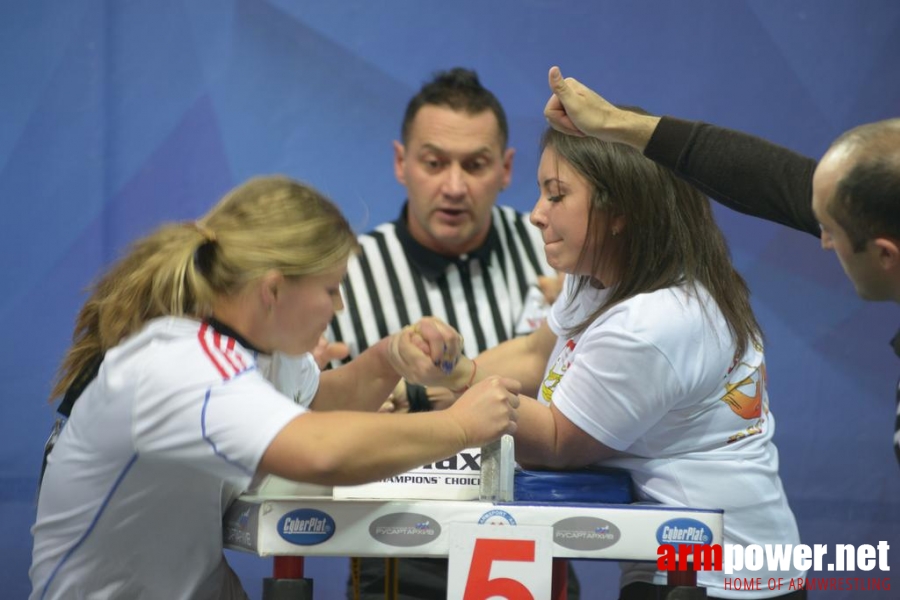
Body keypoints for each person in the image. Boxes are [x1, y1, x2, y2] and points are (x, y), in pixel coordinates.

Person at [29, 175, 520, 600]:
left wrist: (388, 358)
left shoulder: (257, 347)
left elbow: (318, 407)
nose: (339, 307)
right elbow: (320, 449)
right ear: (273, 290)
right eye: (331, 290)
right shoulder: (178, 364)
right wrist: (460, 425)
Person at [435, 126, 806, 599]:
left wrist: (455, 374)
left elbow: (553, 442)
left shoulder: (653, 323)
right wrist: (417, 391)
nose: (535, 215)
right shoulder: (603, 278)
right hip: (682, 564)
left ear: (620, 212)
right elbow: (534, 353)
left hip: (717, 580)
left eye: (557, 195)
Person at [540, 65, 900, 462]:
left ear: (886, 255)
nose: (825, 242)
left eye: (831, 229)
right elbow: (775, 179)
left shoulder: (658, 321)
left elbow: (557, 442)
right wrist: (614, 124)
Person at [323, 68, 570, 599]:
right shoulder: (344, 275)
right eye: (434, 163)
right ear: (401, 163)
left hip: (539, 530)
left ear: (505, 169)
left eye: (475, 165)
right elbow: (325, 421)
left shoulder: (553, 250)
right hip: (394, 544)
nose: (454, 186)